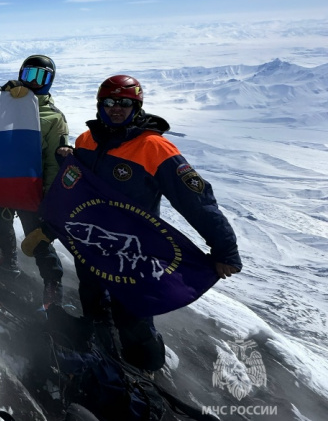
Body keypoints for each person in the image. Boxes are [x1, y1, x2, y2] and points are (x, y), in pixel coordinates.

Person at [25, 74, 242, 372]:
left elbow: (197, 199)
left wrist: (224, 248)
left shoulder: (154, 148)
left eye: (126, 103)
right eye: (110, 102)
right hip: (93, 247)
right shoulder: (86, 141)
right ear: (100, 104)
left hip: (132, 253)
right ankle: (102, 359)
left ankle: (145, 375)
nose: (117, 108)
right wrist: (49, 228)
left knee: (133, 315)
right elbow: (75, 196)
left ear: (137, 107)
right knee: (92, 300)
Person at [0, 55, 70, 309]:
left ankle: (53, 284)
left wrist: (49, 199)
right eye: (28, 75)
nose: (33, 82)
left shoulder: (54, 118)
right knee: (0, 224)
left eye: (40, 77)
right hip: (5, 182)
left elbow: (55, 163)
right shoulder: (6, 104)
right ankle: (7, 259)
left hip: (32, 189)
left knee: (37, 238)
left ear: (49, 81)